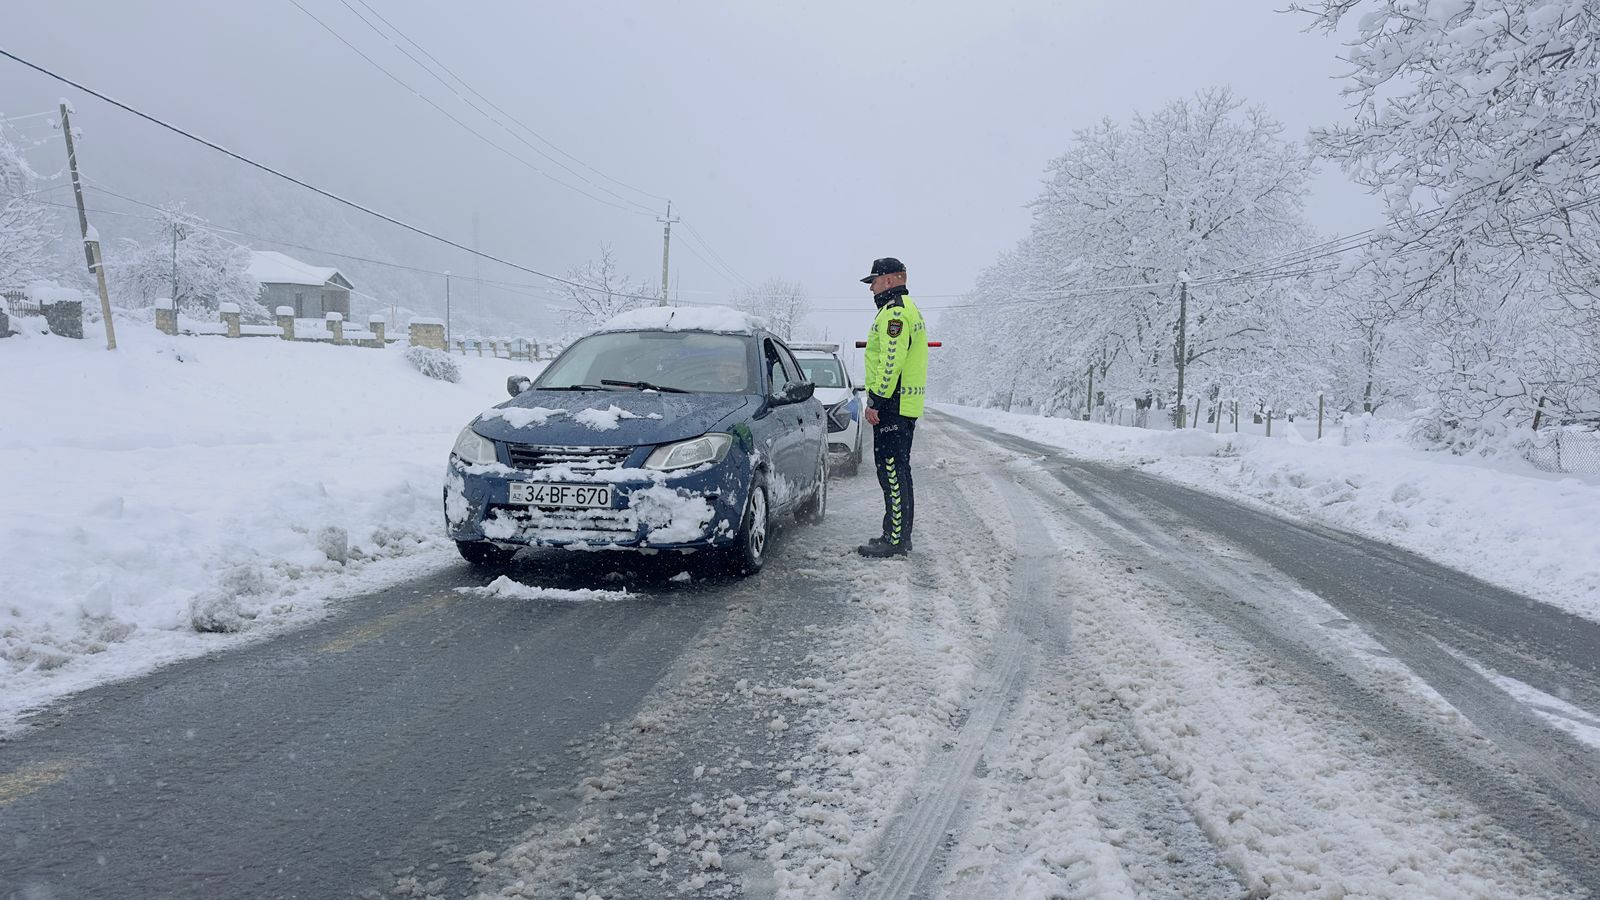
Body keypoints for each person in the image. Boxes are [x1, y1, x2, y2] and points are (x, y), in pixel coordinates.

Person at [856, 257, 928, 558]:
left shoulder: (894, 313)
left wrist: (876, 402)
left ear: (888, 280)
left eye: (873, 281)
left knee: (891, 471)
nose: (871, 288)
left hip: (893, 405)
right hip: (903, 404)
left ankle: (895, 539)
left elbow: (890, 362)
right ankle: (897, 534)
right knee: (899, 471)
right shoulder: (907, 309)